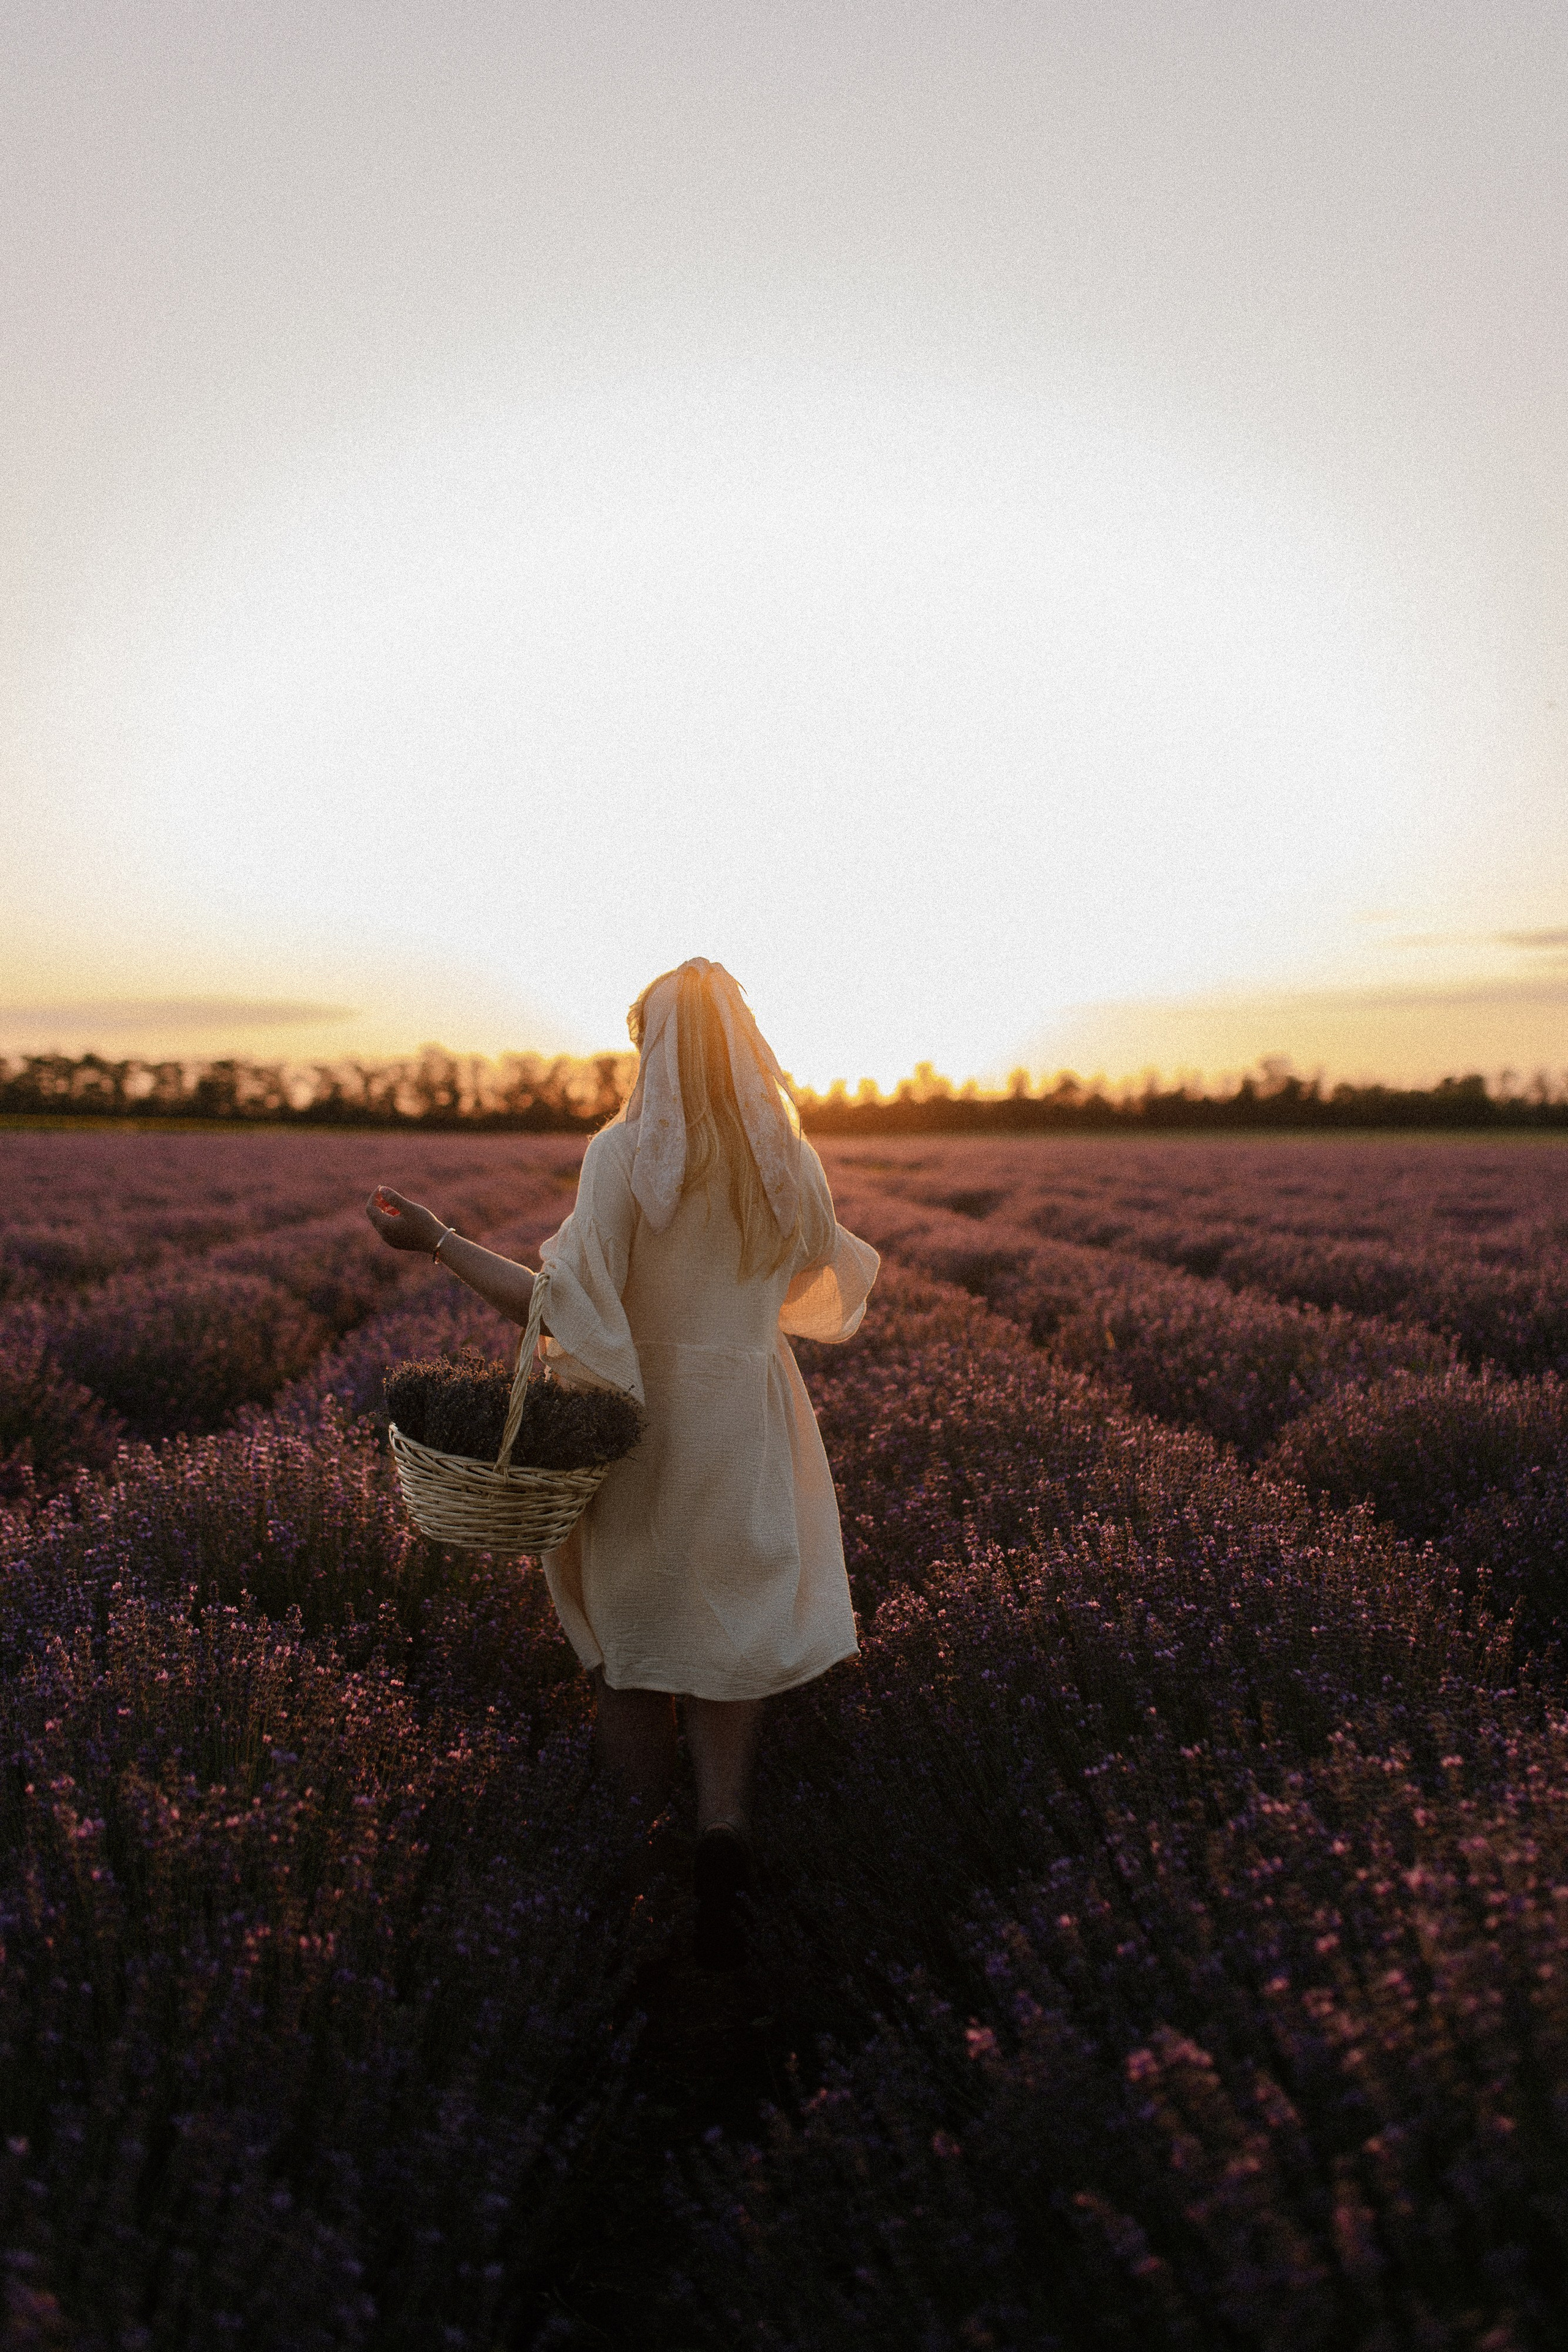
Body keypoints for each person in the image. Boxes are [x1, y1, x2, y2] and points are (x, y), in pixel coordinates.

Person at [366, 957, 879, 1967]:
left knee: (633, 1653)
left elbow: (554, 1306)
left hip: (641, 1430)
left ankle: (644, 1869)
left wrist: (440, 1242)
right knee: (733, 1643)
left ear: (655, 1045)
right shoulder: (787, 1161)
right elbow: (818, 1284)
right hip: (750, 1420)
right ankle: (723, 1831)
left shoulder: (626, 1159)